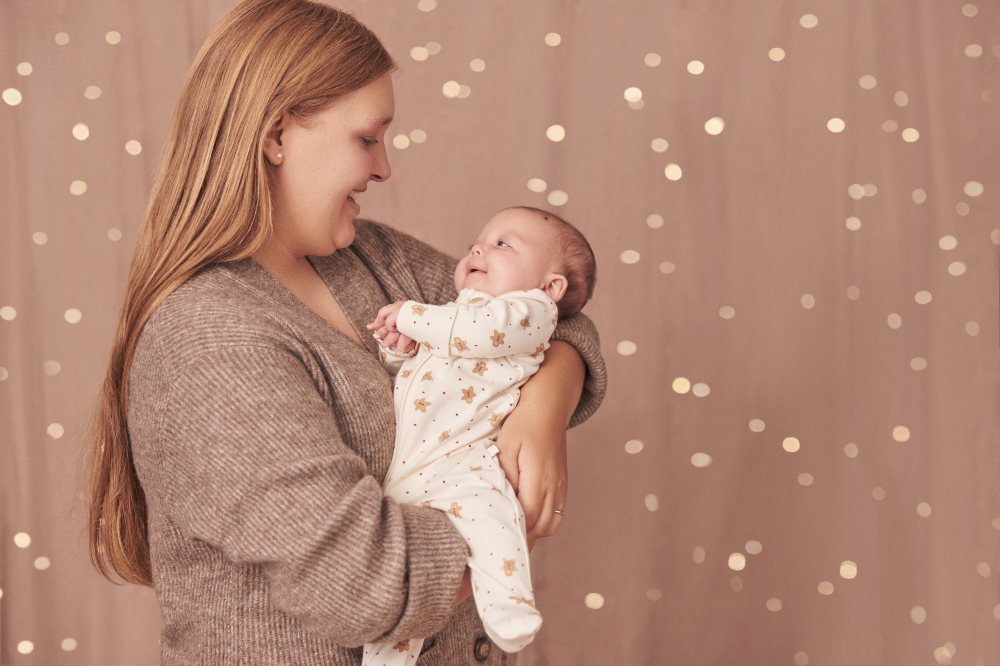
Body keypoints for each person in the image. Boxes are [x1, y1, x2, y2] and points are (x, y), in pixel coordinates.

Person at [85, 1, 606, 664]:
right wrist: (507, 527)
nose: (385, 167)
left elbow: (552, 308)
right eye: (367, 138)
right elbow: (366, 586)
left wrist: (544, 405)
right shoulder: (208, 339)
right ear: (276, 135)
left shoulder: (370, 259)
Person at [361, 207, 597, 665]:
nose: (478, 248)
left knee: (490, 517)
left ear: (550, 287)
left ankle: (509, 603)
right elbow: (424, 366)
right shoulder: (453, 311)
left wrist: (410, 316)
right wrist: (400, 350)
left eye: (503, 245)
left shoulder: (527, 314)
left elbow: (475, 336)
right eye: (479, 239)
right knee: (406, 595)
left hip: (467, 459)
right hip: (414, 462)